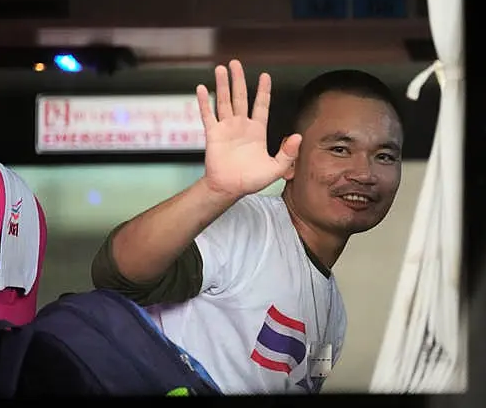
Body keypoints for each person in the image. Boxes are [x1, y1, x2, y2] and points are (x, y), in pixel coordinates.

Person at [90, 59, 404, 394]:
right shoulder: (249, 226)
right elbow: (119, 273)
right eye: (340, 149)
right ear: (291, 159)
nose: (364, 173)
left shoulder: (334, 314)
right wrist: (214, 191)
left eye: (384, 156)